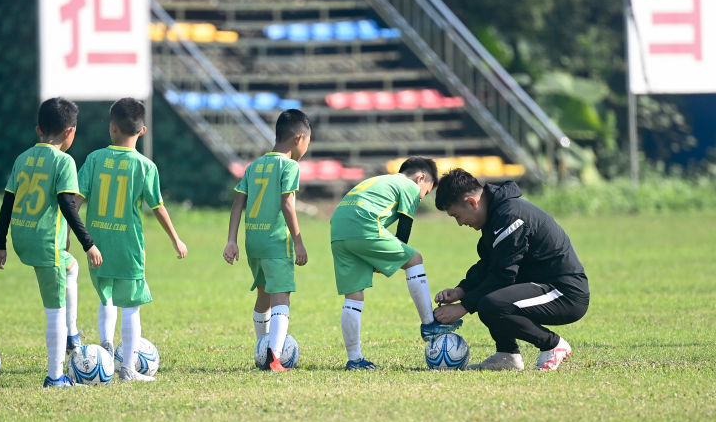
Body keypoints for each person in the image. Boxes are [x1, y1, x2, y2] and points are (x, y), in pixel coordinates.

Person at [0, 97, 102, 387]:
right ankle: (55, 376)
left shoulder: (22, 158)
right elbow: (68, 206)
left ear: (38, 130)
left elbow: (7, 202)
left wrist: (0, 243)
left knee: (71, 267)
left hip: (21, 238)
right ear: (70, 132)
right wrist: (89, 243)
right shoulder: (64, 162)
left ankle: (72, 334)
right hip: (46, 244)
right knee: (55, 310)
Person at [432, 168, 589, 371]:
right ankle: (507, 355)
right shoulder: (496, 215)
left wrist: (464, 307)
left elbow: (502, 276)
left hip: (565, 294)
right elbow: (489, 265)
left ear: (472, 202)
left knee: (491, 304)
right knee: (490, 299)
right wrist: (461, 290)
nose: (460, 223)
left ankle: (552, 345)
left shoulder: (510, 216)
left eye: (456, 216)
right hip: (541, 286)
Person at [76, 98, 187, 382]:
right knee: (131, 306)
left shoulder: (94, 159)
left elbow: (76, 201)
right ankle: (127, 368)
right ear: (143, 130)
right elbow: (158, 207)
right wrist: (176, 239)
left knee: (106, 297)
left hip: (97, 243)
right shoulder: (145, 166)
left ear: (112, 127)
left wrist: (69, 234)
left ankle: (105, 350)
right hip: (128, 246)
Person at [329, 157, 461, 370]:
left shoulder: (380, 180)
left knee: (354, 296)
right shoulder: (408, 185)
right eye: (426, 192)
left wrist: (381, 257)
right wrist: (389, 259)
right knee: (415, 259)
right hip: (362, 224)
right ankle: (429, 325)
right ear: (421, 178)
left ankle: (355, 360)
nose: (421, 198)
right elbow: (404, 228)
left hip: (338, 228)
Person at [222, 109, 311, 371]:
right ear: (298, 138)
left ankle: (263, 350)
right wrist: (298, 241)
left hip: (253, 241)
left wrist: (231, 240)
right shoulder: (290, 166)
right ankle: (274, 357)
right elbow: (287, 203)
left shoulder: (254, 166)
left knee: (263, 295)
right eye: (308, 141)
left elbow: (237, 204)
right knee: (281, 296)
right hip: (276, 241)